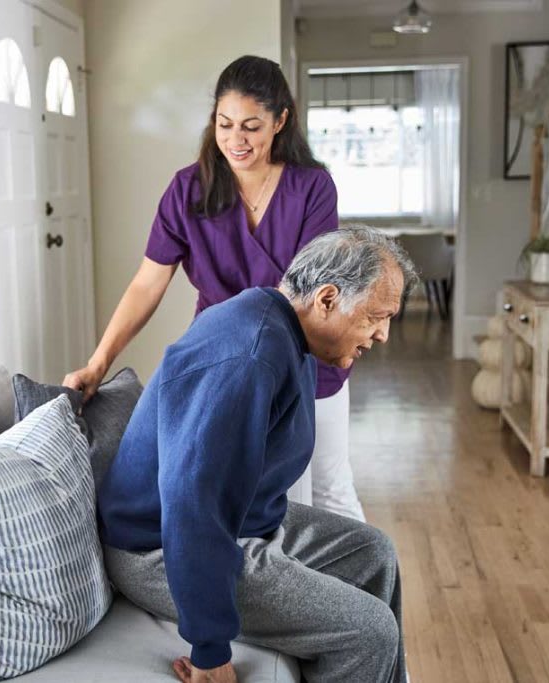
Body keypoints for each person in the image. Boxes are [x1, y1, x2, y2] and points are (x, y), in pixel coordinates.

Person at [98, 227, 417, 683]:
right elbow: (192, 504)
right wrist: (210, 649)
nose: (383, 334)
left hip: (244, 523)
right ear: (326, 299)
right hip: (158, 548)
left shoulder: (288, 331)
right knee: (369, 632)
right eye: (375, 317)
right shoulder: (247, 356)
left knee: (373, 552)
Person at [64, 55, 365, 520]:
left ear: (280, 121)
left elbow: (313, 291)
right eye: (225, 124)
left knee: (329, 492)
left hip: (305, 363)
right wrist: (99, 362)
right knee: (244, 500)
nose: (235, 140)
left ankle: (364, 590)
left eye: (251, 126)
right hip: (224, 366)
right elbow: (148, 283)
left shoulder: (312, 188)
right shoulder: (188, 190)